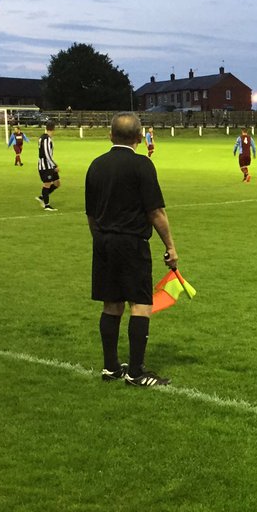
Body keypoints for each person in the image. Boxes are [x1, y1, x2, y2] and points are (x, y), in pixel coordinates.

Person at [85, 112, 178, 388]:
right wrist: (170, 247)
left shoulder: (96, 165)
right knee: (141, 304)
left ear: (110, 135)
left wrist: (100, 240)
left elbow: (91, 213)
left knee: (111, 303)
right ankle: (136, 373)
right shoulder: (142, 166)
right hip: (131, 242)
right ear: (140, 137)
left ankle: (111, 367)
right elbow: (156, 212)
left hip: (102, 241)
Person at [37, 122, 61, 210]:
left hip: (49, 165)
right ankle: (47, 205)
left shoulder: (43, 137)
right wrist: (54, 166)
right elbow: (47, 154)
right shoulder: (46, 139)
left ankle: (43, 197)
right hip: (45, 166)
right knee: (47, 184)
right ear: (53, 129)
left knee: (57, 183)